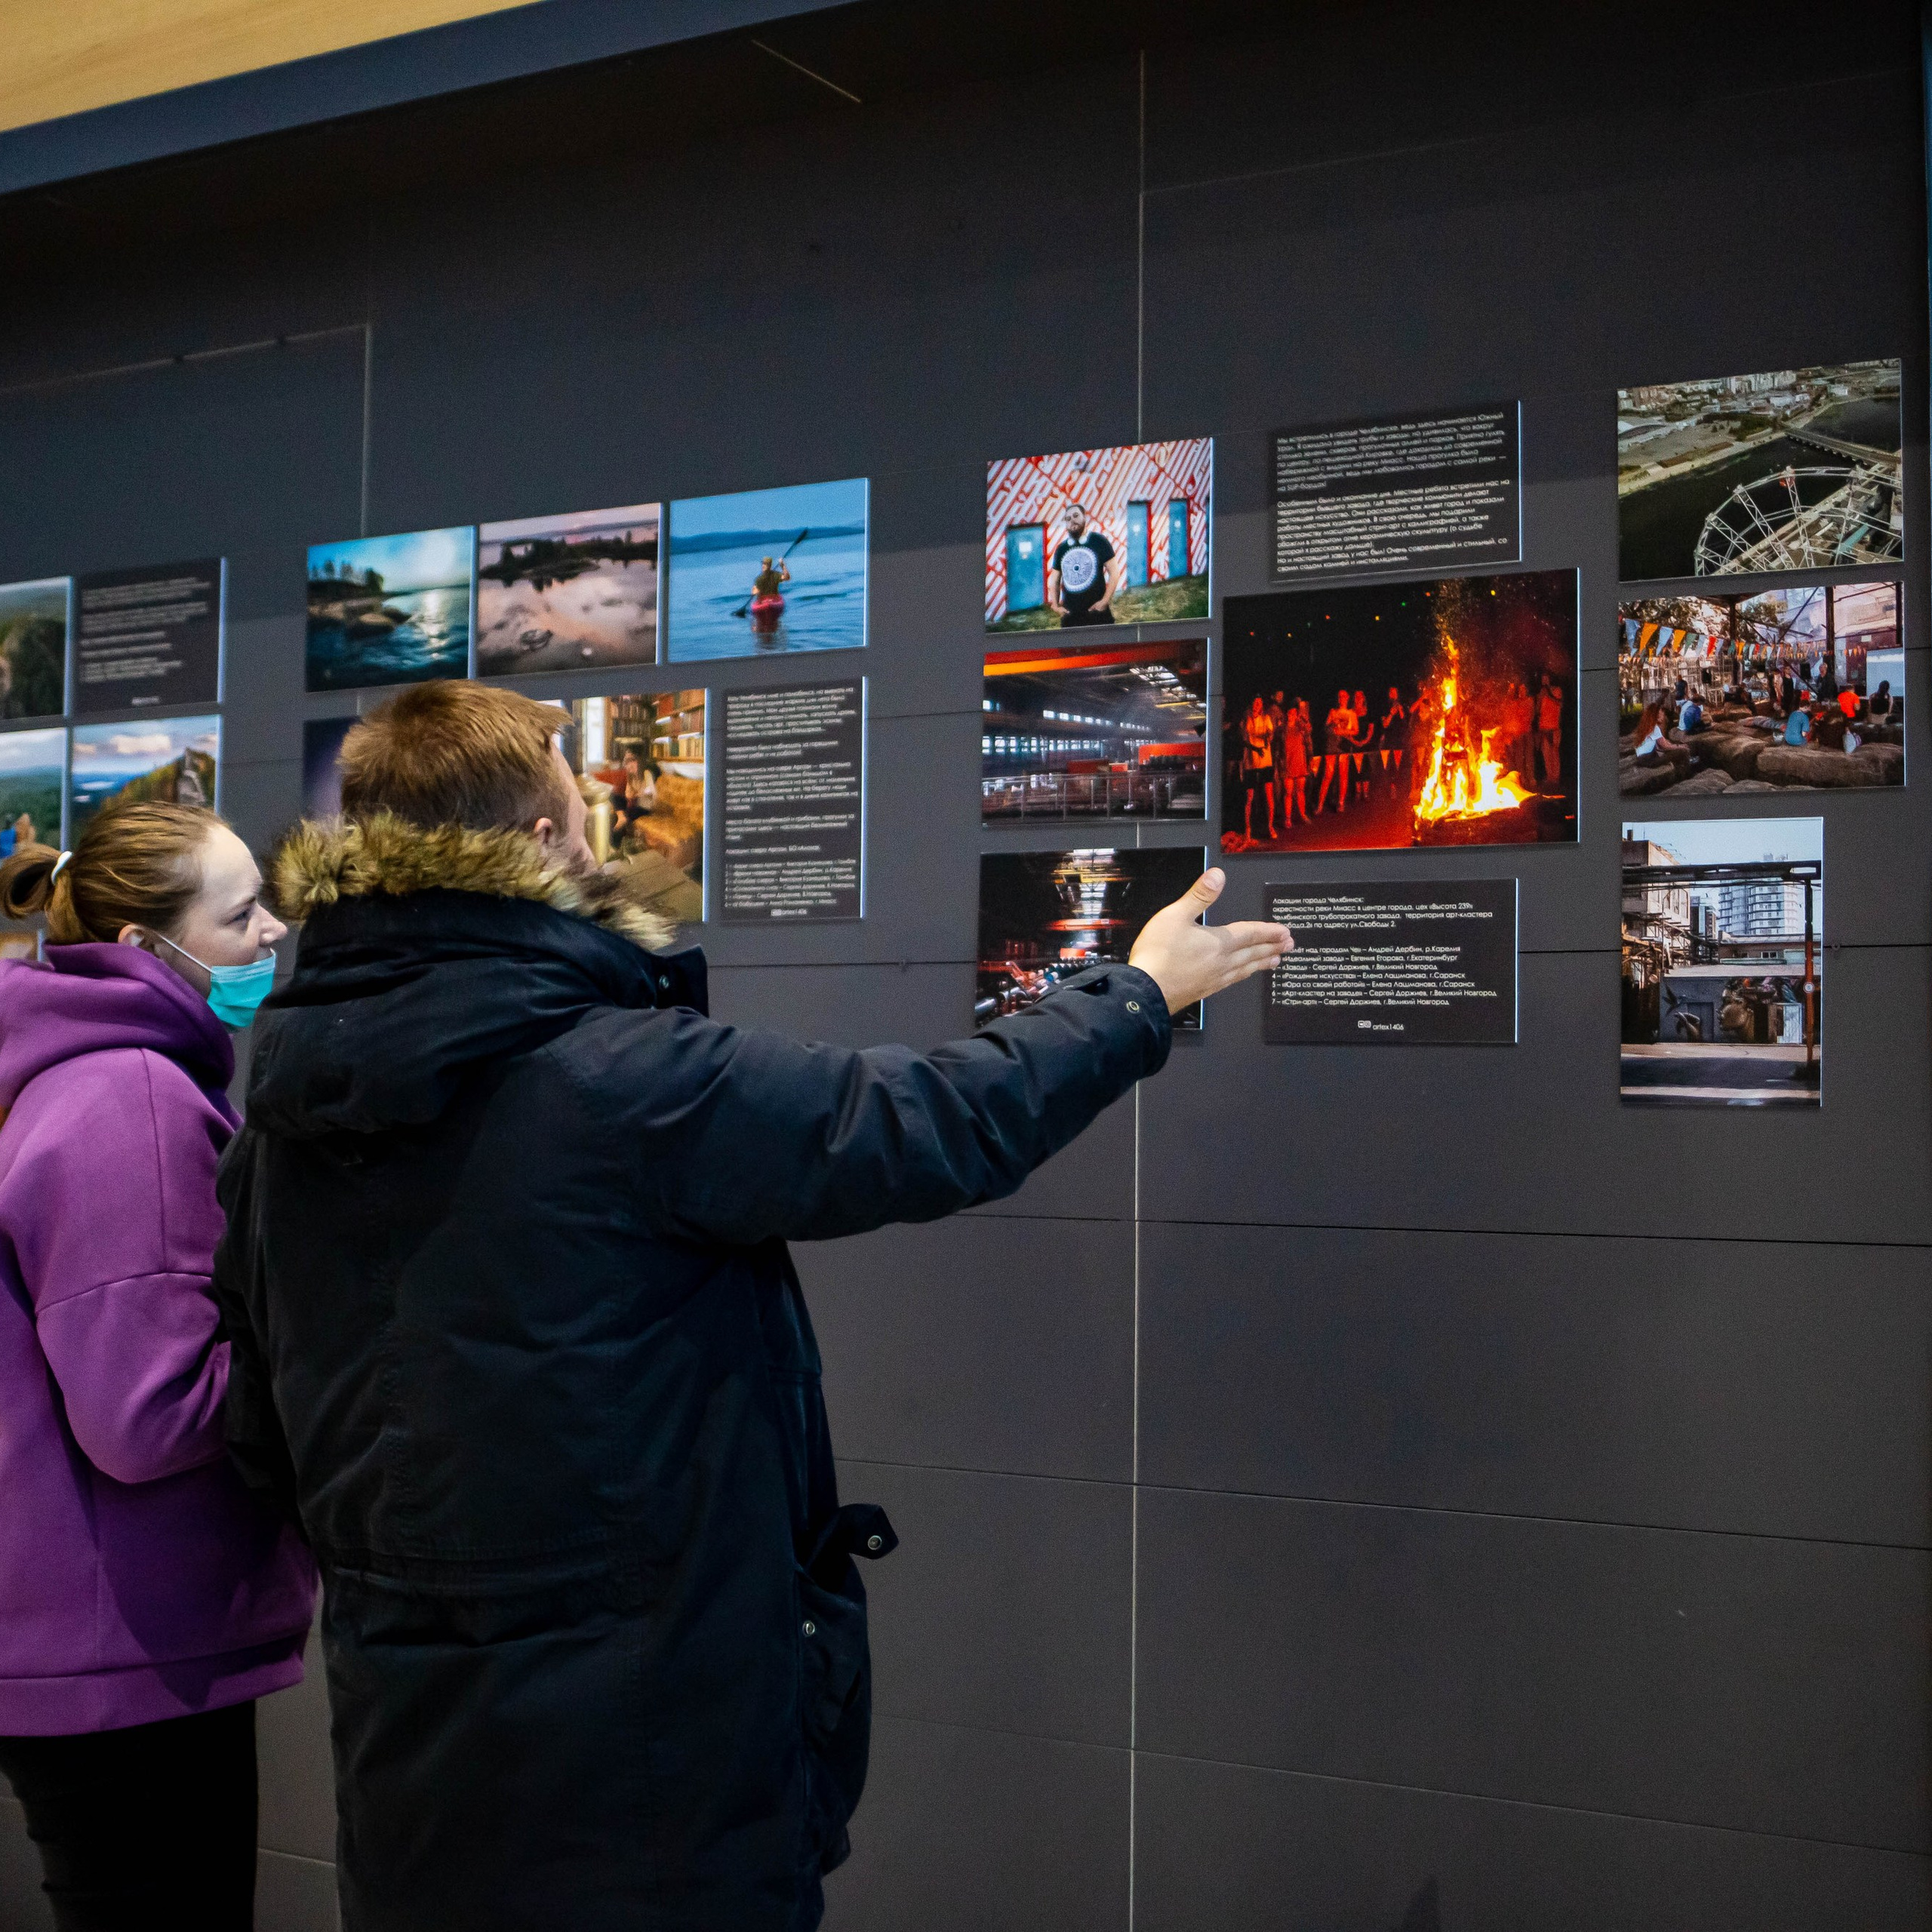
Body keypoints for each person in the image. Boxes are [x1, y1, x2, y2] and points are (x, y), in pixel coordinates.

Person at [213, 682, 1291, 1932]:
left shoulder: (283, 1117)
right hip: (654, 1743)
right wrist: (1137, 993)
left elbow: (258, 1428)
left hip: (409, 1746)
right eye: (580, 800)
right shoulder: (624, 1080)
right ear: (552, 840)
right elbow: (926, 1122)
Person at [0, 804, 318, 1932]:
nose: (272, 932)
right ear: (147, 951)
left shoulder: (75, 1070)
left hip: (91, 1636)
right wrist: (323, 1350)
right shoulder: (127, 1095)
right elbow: (146, 1416)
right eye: (238, 918)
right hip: (121, 1655)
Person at [1047, 502, 1121, 627]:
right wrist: (1055, 605)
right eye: (1068, 519)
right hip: (1071, 619)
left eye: (1076, 516)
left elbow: (1114, 573)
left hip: (1098, 616)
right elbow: (1054, 580)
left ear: (1085, 518)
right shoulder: (1062, 549)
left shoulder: (1099, 541)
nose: (1072, 521)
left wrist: (1104, 601)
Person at [1238, 692, 1276, 844]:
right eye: (1256, 702)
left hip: (1266, 762)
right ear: (1252, 704)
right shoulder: (1246, 720)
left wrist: (1267, 736)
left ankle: (1270, 826)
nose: (1258, 705)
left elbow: (1271, 735)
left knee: (1269, 795)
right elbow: (1243, 739)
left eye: (1260, 703)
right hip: (1250, 763)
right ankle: (1248, 829)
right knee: (1249, 797)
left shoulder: (1267, 719)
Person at [1315, 688, 1358, 814]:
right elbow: (1325, 728)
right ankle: (1320, 805)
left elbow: (1356, 730)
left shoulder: (1352, 713)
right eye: (1340, 696)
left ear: (1348, 698)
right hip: (1332, 746)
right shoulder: (1333, 712)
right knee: (1328, 775)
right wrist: (1332, 725)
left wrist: (1343, 732)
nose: (1342, 698)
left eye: (1344, 696)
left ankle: (1341, 803)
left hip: (1343, 747)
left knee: (1343, 775)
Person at [1278, 697, 1311, 828]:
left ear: (1296, 714)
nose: (1291, 715)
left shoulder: (1300, 727)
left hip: (1299, 762)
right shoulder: (1283, 729)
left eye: (1293, 713)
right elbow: (1279, 746)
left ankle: (1302, 814)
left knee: (1300, 790)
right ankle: (1288, 818)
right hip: (1287, 763)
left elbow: (1308, 731)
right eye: (1289, 713)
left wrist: (1302, 719)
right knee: (1288, 792)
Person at [1535, 673, 1565, 787]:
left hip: (1554, 728)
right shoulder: (1541, 693)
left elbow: (1559, 703)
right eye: (1543, 679)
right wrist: (1540, 698)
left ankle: (1555, 778)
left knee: (1554, 753)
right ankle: (1549, 777)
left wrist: (1548, 692)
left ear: (1550, 679)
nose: (1544, 681)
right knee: (1546, 754)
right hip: (1543, 727)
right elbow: (1538, 710)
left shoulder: (1557, 690)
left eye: (1546, 679)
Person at [1631, 701, 1669, 767]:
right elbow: (1664, 746)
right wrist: (1679, 746)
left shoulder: (1645, 725)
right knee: (1678, 753)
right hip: (1647, 759)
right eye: (1660, 714)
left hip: (1641, 757)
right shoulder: (1655, 728)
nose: (1662, 717)